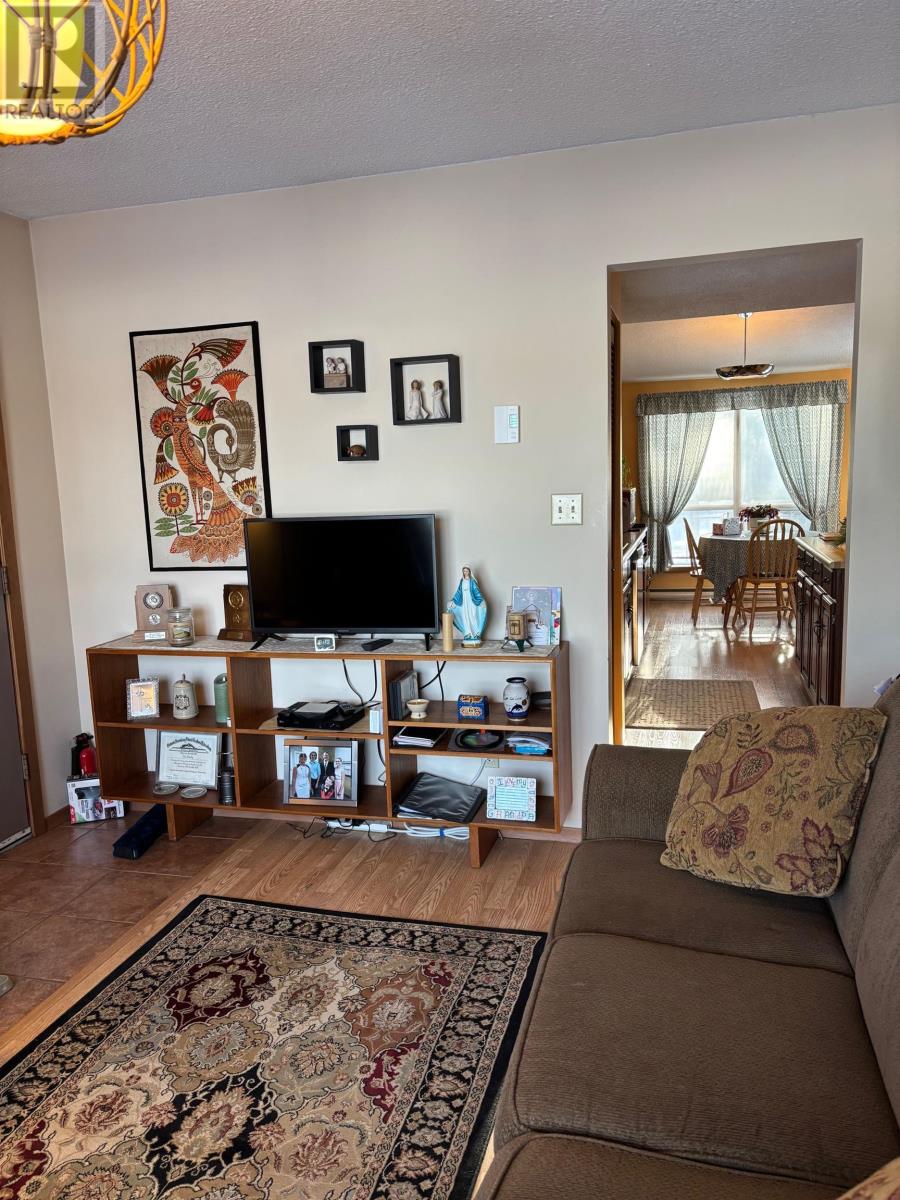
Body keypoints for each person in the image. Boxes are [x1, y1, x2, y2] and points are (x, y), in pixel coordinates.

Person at [448, 566, 488, 646]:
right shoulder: (461, 581)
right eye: (464, 571)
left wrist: (481, 600)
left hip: (471, 601)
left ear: (469, 572)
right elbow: (458, 592)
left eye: (466, 571)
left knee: (473, 616)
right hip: (464, 602)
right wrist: (453, 601)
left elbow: (476, 591)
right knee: (465, 617)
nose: (465, 572)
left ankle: (475, 632)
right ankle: (468, 633)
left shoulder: (472, 581)